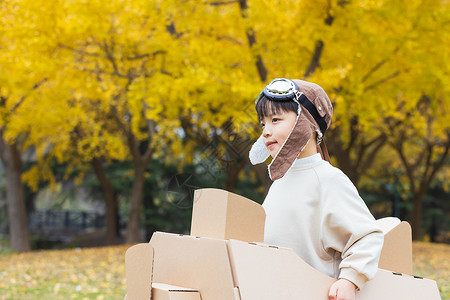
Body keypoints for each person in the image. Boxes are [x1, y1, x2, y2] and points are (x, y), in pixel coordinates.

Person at [249, 78, 384, 300]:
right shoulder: (280, 181)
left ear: (306, 123)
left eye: (275, 119)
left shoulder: (328, 179)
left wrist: (349, 280)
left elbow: (368, 235)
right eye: (263, 124)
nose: (266, 131)